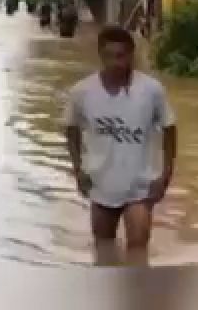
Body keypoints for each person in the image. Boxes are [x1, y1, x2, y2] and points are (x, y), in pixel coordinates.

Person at [62, 26, 177, 266]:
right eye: (111, 56)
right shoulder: (82, 92)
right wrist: (78, 169)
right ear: (100, 56)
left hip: (140, 185)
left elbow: (169, 129)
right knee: (104, 253)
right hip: (101, 182)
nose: (118, 63)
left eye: (123, 55)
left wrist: (165, 175)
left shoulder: (151, 91)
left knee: (138, 251)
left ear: (132, 54)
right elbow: (71, 128)